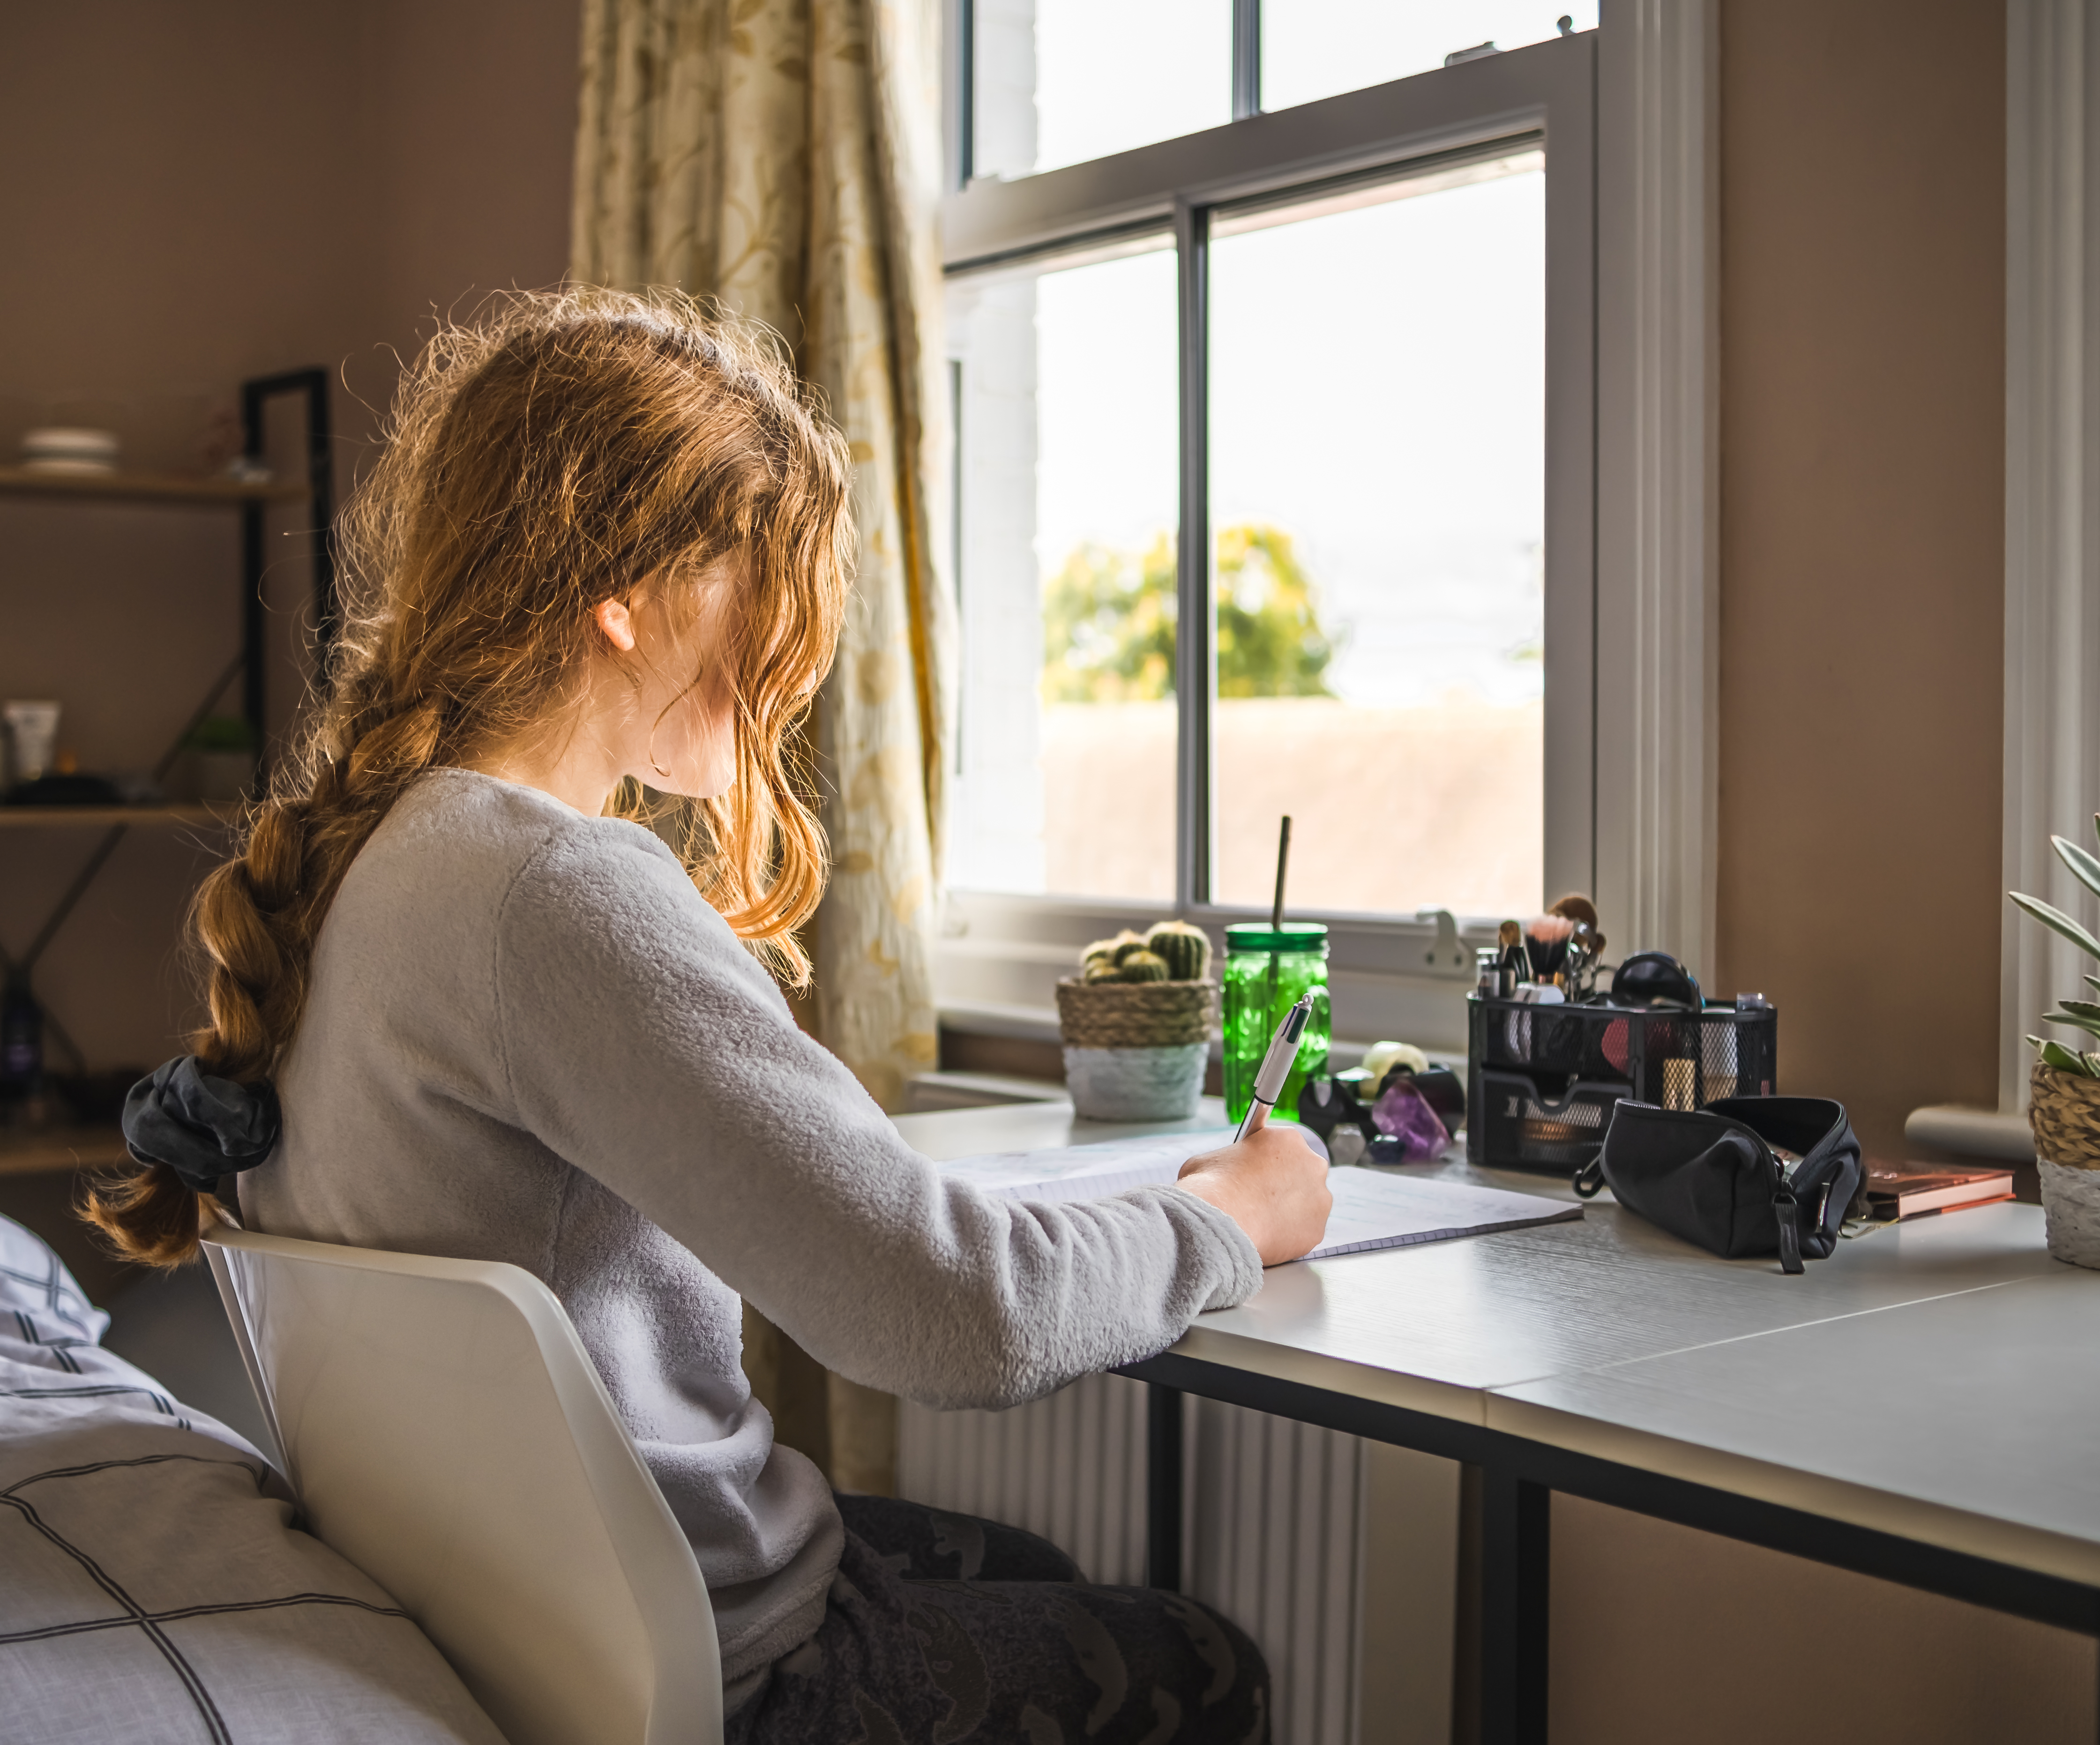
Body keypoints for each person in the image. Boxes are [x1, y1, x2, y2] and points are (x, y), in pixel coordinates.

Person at [85, 288, 1330, 1744]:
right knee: (1196, 1657)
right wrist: (1232, 1217)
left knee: (1036, 1573)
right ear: (626, 593)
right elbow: (953, 1312)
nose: (785, 649)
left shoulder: (377, 850)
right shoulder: (551, 885)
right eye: (759, 577)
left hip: (514, 1621)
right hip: (702, 1658)